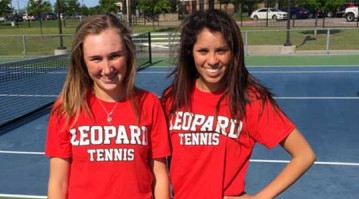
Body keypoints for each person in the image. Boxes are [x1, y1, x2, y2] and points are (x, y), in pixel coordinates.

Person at [161, 9, 316, 199]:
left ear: (233, 53)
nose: (212, 60)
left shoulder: (250, 100)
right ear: (190, 53)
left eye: (221, 51)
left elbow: (304, 155)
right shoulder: (173, 98)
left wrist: (260, 198)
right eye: (203, 51)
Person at [45, 14, 170, 199]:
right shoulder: (67, 107)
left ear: (127, 54)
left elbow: (160, 176)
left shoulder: (149, 103)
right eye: (96, 58)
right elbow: (58, 182)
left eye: (115, 56)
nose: (107, 68)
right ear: (83, 61)